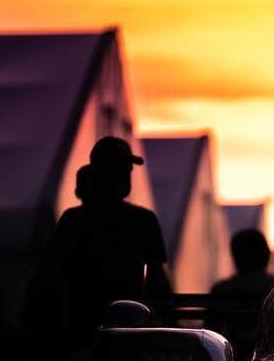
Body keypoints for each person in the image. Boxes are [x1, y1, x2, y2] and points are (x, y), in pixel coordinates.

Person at [25, 137, 172, 348]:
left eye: (127, 169)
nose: (126, 174)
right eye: (121, 168)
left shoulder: (74, 219)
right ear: (102, 171)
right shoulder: (142, 220)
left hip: (81, 332)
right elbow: (158, 281)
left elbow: (49, 275)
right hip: (119, 332)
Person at [210, 229, 274, 361]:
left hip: (234, 356)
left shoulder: (222, 289)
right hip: (270, 358)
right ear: (265, 254)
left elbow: (212, 330)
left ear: (235, 256)